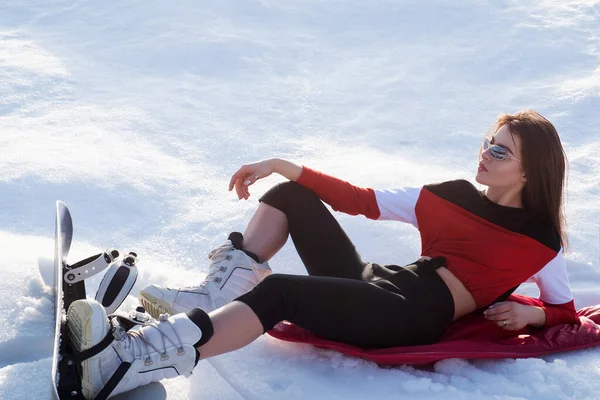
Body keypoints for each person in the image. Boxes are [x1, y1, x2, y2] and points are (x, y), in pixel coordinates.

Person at [67, 110, 578, 399]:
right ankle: (213, 295)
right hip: (378, 283)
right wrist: (283, 166)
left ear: (530, 172)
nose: (484, 154)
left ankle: (127, 361)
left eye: (501, 151)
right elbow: (362, 200)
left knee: (280, 291)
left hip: (412, 313)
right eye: (488, 142)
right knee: (291, 198)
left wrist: (531, 312)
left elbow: (566, 314)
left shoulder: (539, 243)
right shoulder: (448, 194)